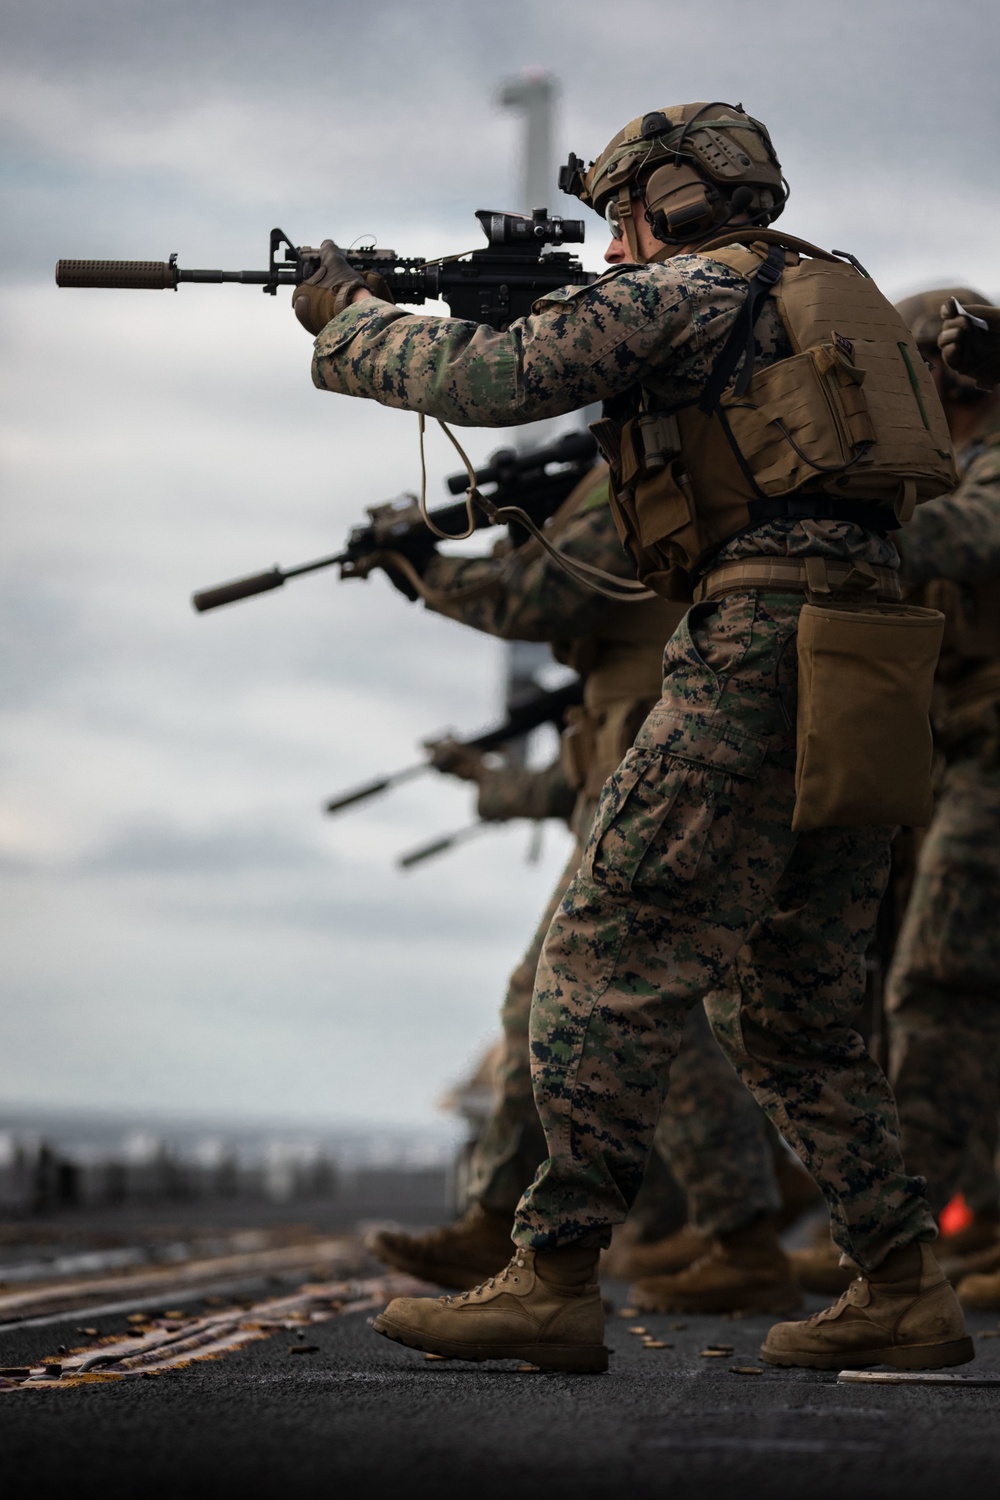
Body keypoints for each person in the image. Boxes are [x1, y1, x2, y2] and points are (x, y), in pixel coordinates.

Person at [293, 101, 971, 1373]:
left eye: (622, 218)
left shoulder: (694, 288)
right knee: (795, 1009)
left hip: (756, 644)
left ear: (671, 196)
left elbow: (488, 381)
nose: (613, 249)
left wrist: (352, 319)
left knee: (600, 955)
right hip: (868, 661)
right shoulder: (839, 293)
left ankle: (549, 1278)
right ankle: (900, 1283)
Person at [364, 462, 801, 1315]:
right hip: (649, 756)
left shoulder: (646, 461)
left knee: (582, 994)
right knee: (616, 1003)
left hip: (658, 761)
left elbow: (537, 600)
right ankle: (705, 1235)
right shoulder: (677, 455)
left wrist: (420, 566)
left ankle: (561, 1238)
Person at [792, 289, 1000, 1298]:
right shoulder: (950, 469)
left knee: (938, 986)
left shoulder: (985, 465)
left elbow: (973, 537)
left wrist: (833, 538)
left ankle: (904, 1244)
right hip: (967, 756)